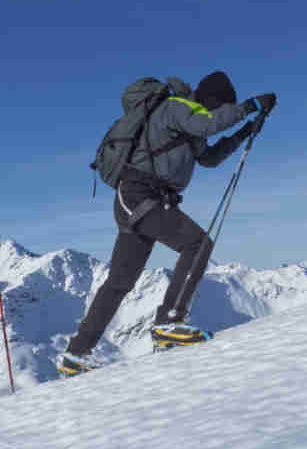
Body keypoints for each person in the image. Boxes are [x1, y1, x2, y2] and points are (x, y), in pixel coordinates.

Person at [58, 71, 276, 377]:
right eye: (221, 106)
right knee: (197, 244)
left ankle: (76, 354)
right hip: (138, 193)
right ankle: (169, 321)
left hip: (144, 198)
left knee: (121, 280)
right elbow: (210, 123)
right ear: (211, 101)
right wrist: (250, 106)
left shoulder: (188, 122)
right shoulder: (177, 107)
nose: (218, 113)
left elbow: (209, 158)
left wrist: (244, 132)